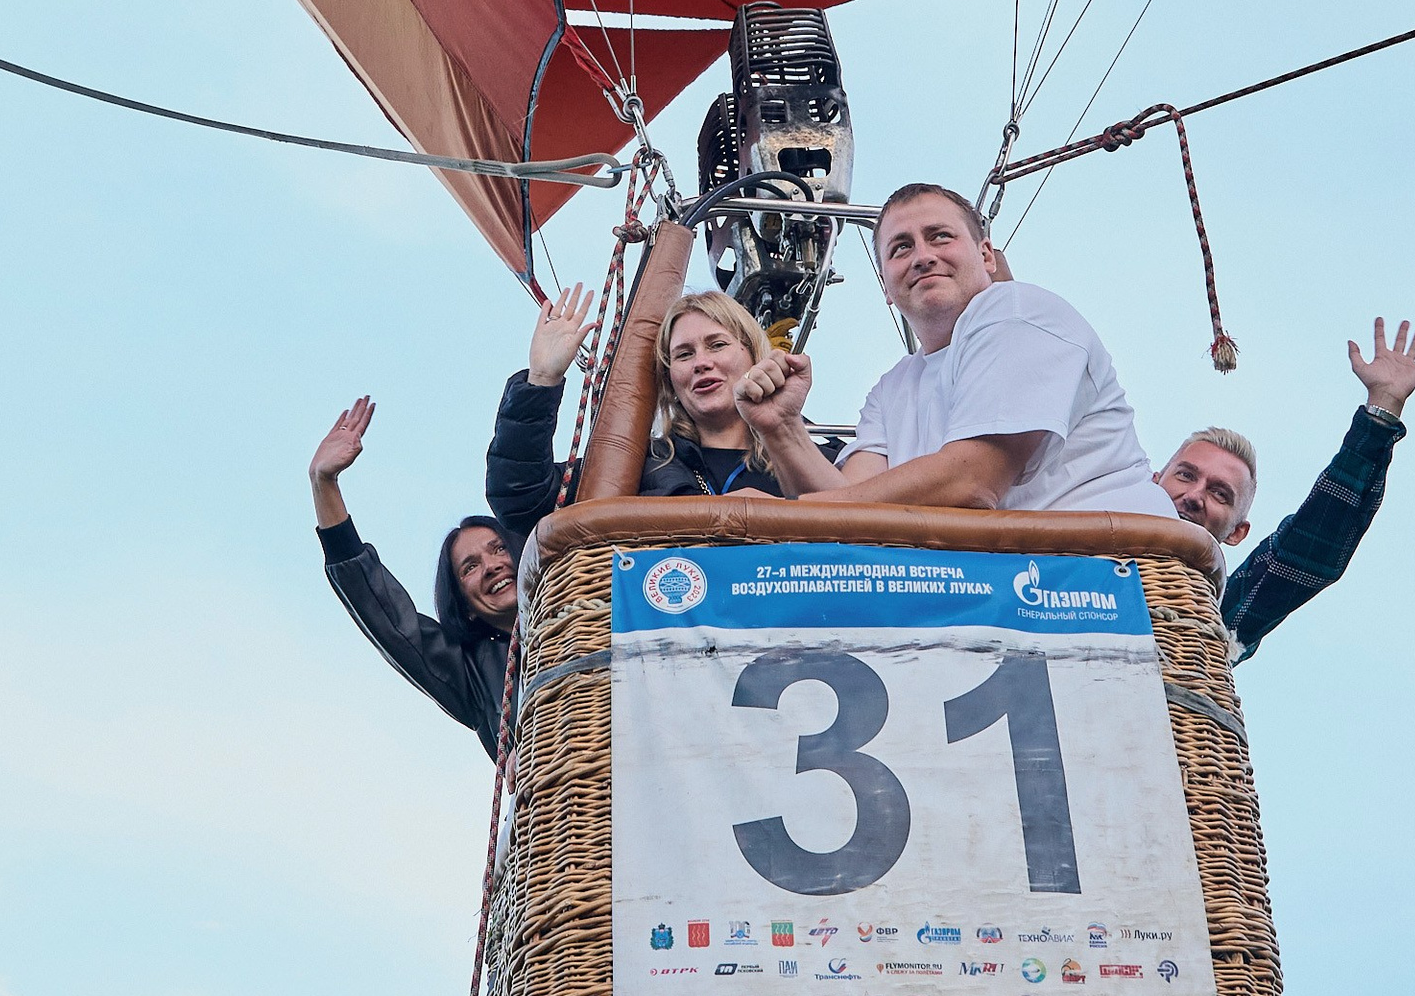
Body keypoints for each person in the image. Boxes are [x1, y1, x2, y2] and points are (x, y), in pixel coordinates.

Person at [734, 179, 1176, 518]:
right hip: (1011, 593)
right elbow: (845, 499)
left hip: (1121, 582)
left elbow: (972, 482)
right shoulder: (893, 387)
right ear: (886, 287)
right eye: (901, 248)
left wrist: (786, 515)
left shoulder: (1016, 312)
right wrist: (781, 428)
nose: (922, 256)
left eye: (940, 236)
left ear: (986, 257)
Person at [1158, 319, 1415, 661]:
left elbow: (1312, 544)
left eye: (1220, 494)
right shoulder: (1081, 534)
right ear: (1153, 480)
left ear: (1237, 532)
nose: (1195, 496)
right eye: (1186, 475)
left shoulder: (1218, 615)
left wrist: (1380, 415)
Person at [486, 283, 793, 543]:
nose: (701, 362)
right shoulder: (638, 466)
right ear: (670, 381)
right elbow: (521, 499)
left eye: (717, 345)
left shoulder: (805, 457)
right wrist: (541, 381)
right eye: (684, 354)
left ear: (753, 355)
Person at [307, 394, 519, 756]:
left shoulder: (592, 599)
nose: (491, 566)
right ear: (464, 606)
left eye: (498, 548)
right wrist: (323, 483)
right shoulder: (472, 675)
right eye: (470, 567)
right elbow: (388, 617)